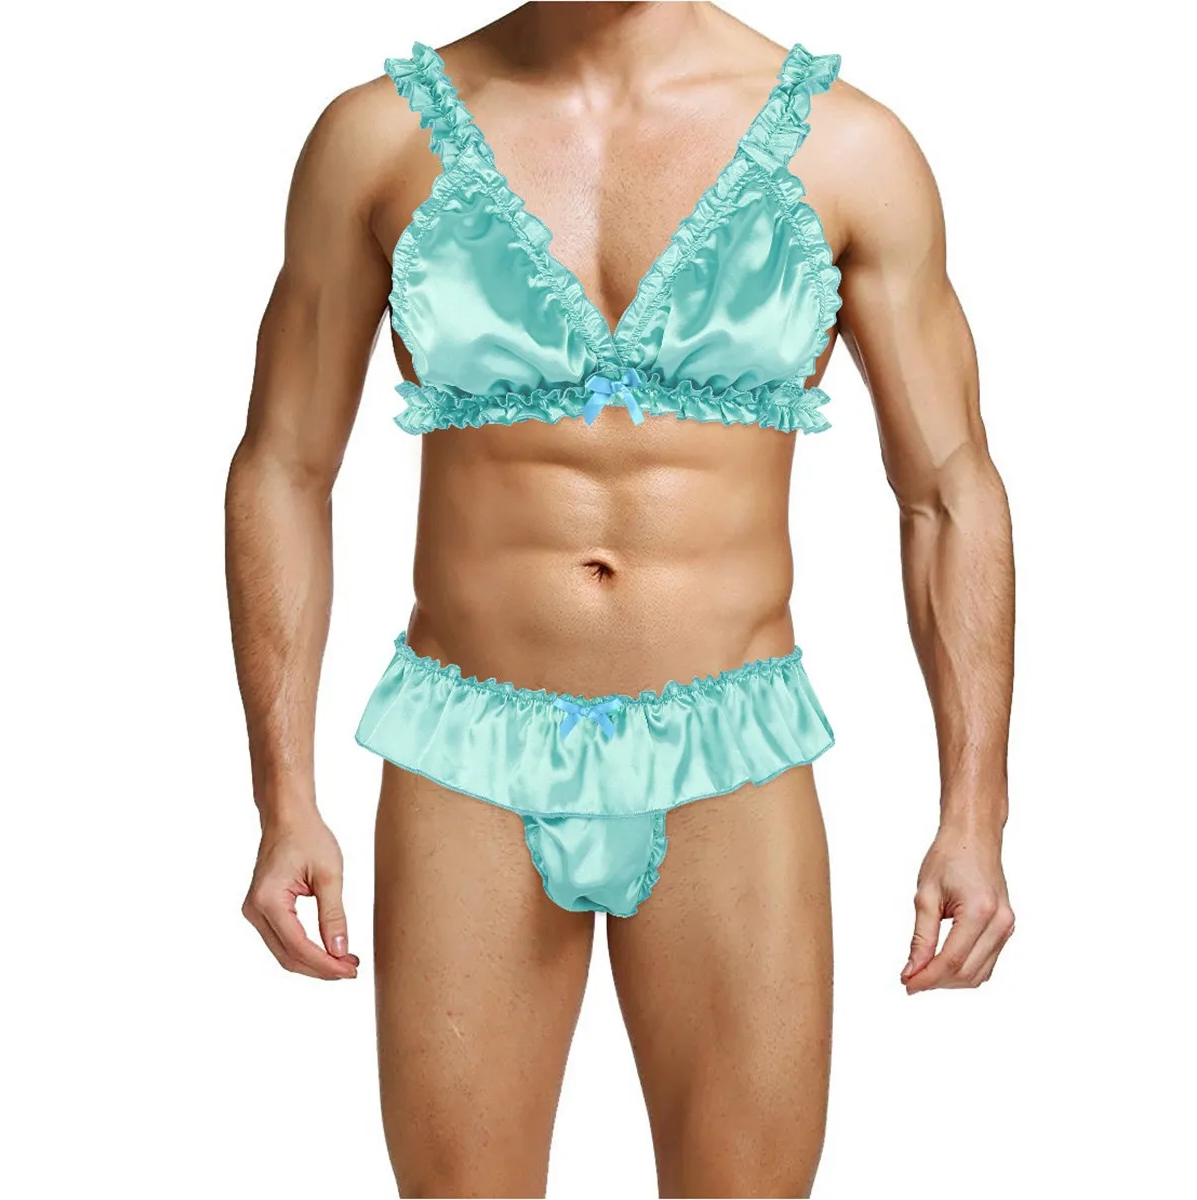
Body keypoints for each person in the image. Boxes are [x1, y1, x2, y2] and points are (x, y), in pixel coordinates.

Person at [225, 3, 1016, 1195]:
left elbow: (948, 490)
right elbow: (284, 466)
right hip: (469, 749)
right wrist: (283, 799)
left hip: (728, 753)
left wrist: (976, 814)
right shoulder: (376, 139)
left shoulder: (849, 149)